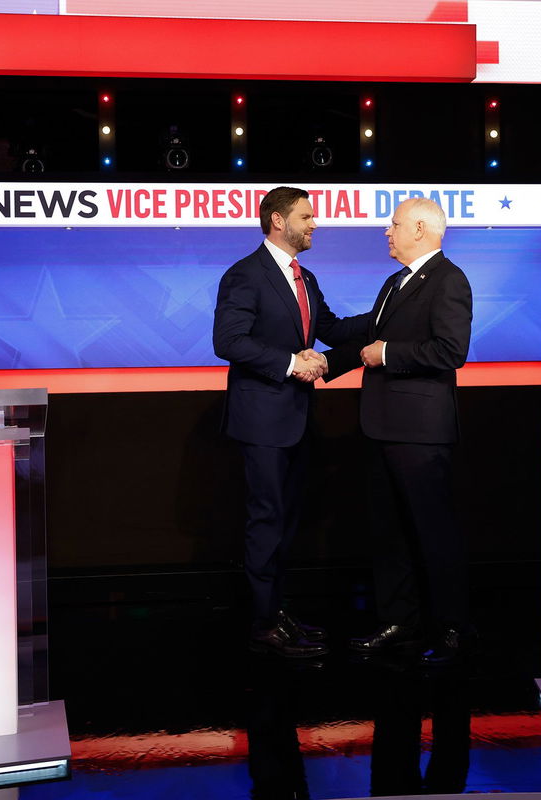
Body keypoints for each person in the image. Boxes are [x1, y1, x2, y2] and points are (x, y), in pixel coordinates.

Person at [213, 186, 367, 658]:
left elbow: (334, 330)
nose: (314, 223)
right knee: (266, 522)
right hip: (261, 422)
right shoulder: (245, 275)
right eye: (306, 216)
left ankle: (278, 613)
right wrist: (289, 363)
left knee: (286, 523)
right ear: (278, 221)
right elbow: (228, 341)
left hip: (297, 422)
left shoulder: (306, 278)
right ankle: (262, 623)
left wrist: (387, 312)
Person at [323, 197, 474, 665]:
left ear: (421, 228)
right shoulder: (395, 282)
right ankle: (399, 623)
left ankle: (453, 630)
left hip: (421, 433)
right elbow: (365, 335)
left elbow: (450, 351)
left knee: (432, 533)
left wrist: (387, 354)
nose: (386, 232)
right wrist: (322, 354)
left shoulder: (449, 280)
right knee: (388, 533)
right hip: (382, 427)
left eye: (393, 225)